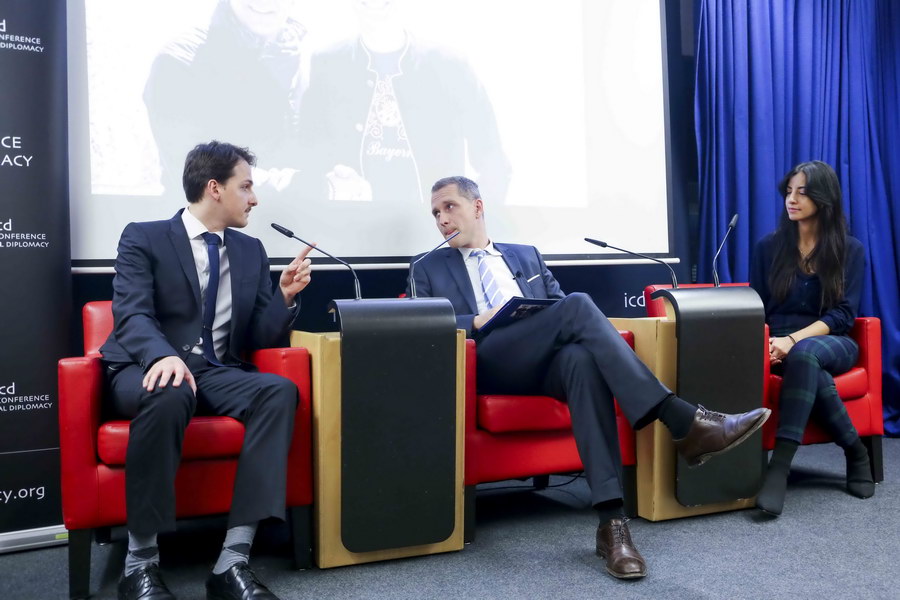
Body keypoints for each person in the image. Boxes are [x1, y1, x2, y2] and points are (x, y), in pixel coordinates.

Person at [410, 176, 771, 580]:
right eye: (436, 213)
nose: (442, 219)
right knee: (580, 305)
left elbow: (559, 310)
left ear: (477, 207)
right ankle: (681, 419)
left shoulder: (524, 255)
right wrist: (476, 319)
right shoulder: (427, 266)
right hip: (487, 361)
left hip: (542, 361)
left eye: (449, 207)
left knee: (581, 360)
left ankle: (611, 525)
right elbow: (425, 327)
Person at [100, 141, 313, 600]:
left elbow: (259, 337)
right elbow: (131, 313)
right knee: (171, 389)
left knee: (279, 391)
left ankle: (232, 562)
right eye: (246, 187)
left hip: (215, 370)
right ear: (215, 188)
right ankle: (140, 565)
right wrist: (161, 355)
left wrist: (284, 297)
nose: (254, 199)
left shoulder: (251, 250)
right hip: (145, 367)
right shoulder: (144, 237)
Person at [750, 160, 873, 516]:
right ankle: (855, 450)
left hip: (833, 341)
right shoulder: (768, 248)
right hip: (781, 345)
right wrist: (767, 345)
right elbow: (758, 308)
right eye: (789, 191)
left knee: (805, 352)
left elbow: (843, 315)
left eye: (802, 192)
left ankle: (779, 467)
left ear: (823, 198)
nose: (792, 199)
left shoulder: (849, 250)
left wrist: (791, 341)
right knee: (807, 364)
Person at [144, 0, 306, 198]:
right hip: (212, 217)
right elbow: (197, 172)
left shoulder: (311, 59)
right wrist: (304, 186)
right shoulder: (179, 62)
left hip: (300, 214)